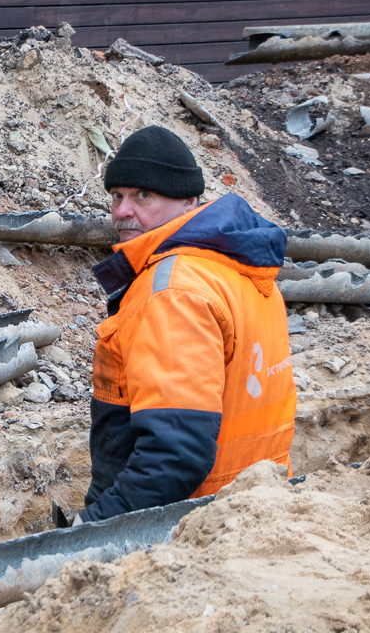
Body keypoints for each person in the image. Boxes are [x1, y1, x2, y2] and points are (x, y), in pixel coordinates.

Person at [71, 126, 296, 524]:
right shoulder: (238, 267)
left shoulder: (173, 290)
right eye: (117, 196)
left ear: (189, 201)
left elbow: (175, 455)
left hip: (192, 525)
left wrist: (93, 530)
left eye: (144, 195)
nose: (123, 211)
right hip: (259, 510)